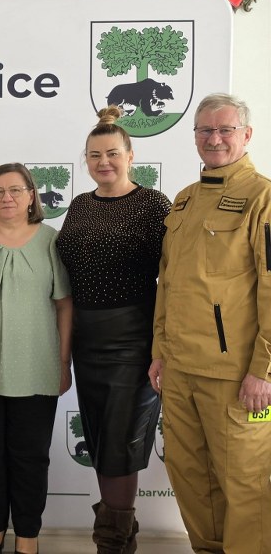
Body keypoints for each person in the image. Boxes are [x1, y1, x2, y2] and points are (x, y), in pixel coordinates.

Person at [149, 93, 271, 554]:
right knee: (191, 479)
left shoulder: (263, 198)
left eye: (224, 129)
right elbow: (168, 284)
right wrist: (160, 352)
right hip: (180, 370)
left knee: (245, 483)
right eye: (204, 130)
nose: (214, 138)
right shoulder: (184, 201)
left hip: (236, 375)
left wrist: (265, 370)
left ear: (247, 135)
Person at [56, 106, 170, 553]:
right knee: (103, 444)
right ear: (85, 160)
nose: (103, 162)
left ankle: (112, 543)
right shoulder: (80, 205)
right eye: (94, 155)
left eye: (112, 153)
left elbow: (175, 277)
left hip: (133, 342)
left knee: (121, 445)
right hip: (87, 342)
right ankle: (119, 541)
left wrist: (162, 347)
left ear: (130, 155)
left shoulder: (154, 204)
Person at [0, 163, 72, 554]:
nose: (7, 197)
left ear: (31, 196)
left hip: (36, 365)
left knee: (30, 457)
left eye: (16, 190)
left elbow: (64, 304)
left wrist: (63, 362)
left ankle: (27, 535)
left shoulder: (51, 240)